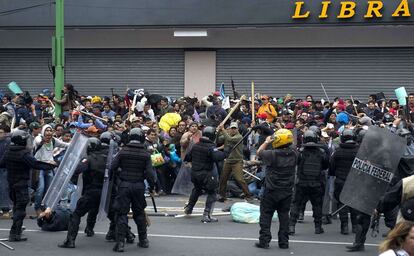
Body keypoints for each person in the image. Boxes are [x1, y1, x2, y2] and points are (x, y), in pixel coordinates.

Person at [0, 130, 55, 242]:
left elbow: (2, 164)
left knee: (16, 207)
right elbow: (35, 164)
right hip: (21, 185)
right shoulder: (23, 154)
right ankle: (15, 235)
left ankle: (15, 231)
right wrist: (51, 165)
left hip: (12, 184)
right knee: (20, 210)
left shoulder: (8, 151)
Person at [111, 128, 156, 252]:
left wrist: (119, 175)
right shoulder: (146, 154)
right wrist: (152, 187)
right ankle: (143, 240)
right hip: (138, 186)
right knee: (139, 213)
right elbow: (150, 173)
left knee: (122, 214)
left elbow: (113, 167)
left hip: (124, 185)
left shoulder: (123, 151)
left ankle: (120, 243)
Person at [58, 137, 108, 248]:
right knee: (115, 216)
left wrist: (74, 165)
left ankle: (70, 241)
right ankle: (125, 238)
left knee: (76, 214)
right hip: (105, 192)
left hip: (91, 191)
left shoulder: (89, 159)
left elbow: (78, 169)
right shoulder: (106, 159)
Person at [255, 129, 298, 250]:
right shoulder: (294, 154)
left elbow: (259, 152)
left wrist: (266, 141)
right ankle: (284, 242)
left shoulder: (272, 154)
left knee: (266, 215)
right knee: (284, 216)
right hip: (287, 190)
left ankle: (264, 240)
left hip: (272, 190)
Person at [289, 130, 329, 235]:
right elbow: (325, 166)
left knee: (296, 204)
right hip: (316, 183)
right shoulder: (322, 153)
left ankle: (291, 226)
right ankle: (318, 227)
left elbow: (295, 163)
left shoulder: (300, 153)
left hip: (302, 183)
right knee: (317, 205)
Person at [183, 126, 226, 223]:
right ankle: (207, 215)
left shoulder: (196, 145)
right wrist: (225, 153)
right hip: (206, 174)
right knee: (212, 192)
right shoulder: (210, 147)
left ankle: (189, 208)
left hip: (195, 173)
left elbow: (188, 157)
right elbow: (217, 157)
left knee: (197, 189)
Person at [329, 129, 359, 235]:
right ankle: (355, 226)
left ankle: (344, 226)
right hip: (355, 181)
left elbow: (331, 166)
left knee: (342, 203)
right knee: (354, 203)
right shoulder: (359, 151)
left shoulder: (337, 151)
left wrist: (335, 174)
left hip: (340, 180)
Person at [218, 122, 253, 202]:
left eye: (235, 128)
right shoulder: (227, 135)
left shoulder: (239, 136)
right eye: (232, 128)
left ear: (237, 129)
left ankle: (248, 195)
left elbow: (230, 140)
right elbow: (218, 140)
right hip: (228, 160)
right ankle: (221, 195)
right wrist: (218, 131)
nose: (233, 130)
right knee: (223, 178)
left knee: (239, 179)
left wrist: (223, 129)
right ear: (230, 129)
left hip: (237, 161)